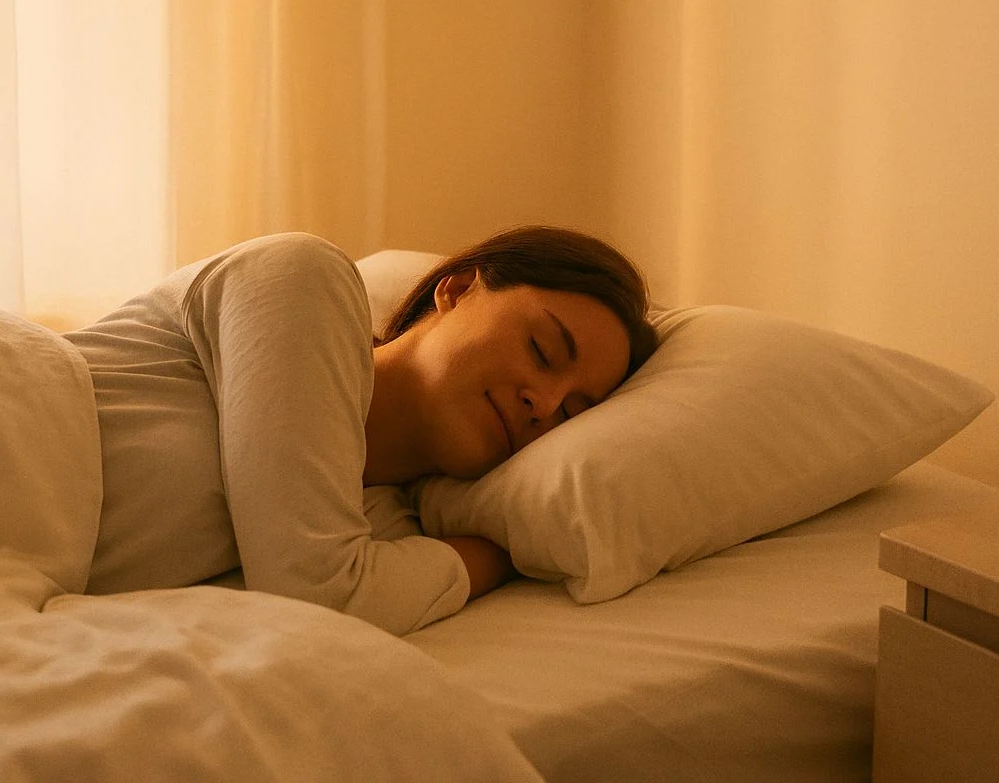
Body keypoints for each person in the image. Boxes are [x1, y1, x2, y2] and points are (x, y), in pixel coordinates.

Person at [64, 225, 657, 636]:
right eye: (542, 349)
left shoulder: (379, 528)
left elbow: (329, 601)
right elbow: (320, 593)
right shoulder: (305, 280)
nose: (543, 403)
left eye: (571, 413)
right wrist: (497, 557)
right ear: (456, 289)